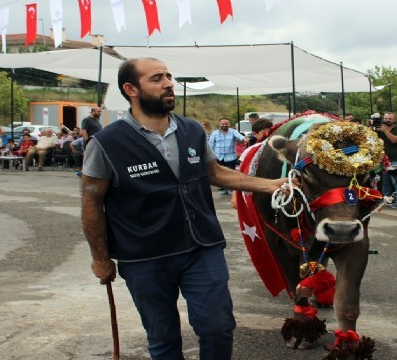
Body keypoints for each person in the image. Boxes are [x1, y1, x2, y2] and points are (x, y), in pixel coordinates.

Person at [81, 57, 292, 360]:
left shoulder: (192, 130)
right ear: (131, 89)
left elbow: (214, 173)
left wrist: (268, 184)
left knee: (218, 327)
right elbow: (91, 202)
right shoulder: (105, 143)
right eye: (156, 78)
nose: (168, 83)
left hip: (201, 247)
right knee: (163, 336)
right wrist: (100, 259)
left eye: (169, 76)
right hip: (144, 256)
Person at [374, 112, 397, 208]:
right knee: (385, 182)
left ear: (394, 120)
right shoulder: (379, 129)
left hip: (395, 159)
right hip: (382, 160)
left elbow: (394, 140)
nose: (388, 120)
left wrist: (385, 131)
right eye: (386, 118)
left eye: (390, 118)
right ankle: (386, 200)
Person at [209, 118, 248, 194]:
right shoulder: (214, 134)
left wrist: (244, 139)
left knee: (231, 174)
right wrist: (211, 156)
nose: (224, 125)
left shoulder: (233, 132)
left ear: (229, 125)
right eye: (223, 124)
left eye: (226, 124)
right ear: (219, 124)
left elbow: (239, 136)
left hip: (230, 157)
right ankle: (224, 189)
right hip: (219, 157)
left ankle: (231, 189)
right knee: (221, 175)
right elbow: (210, 145)